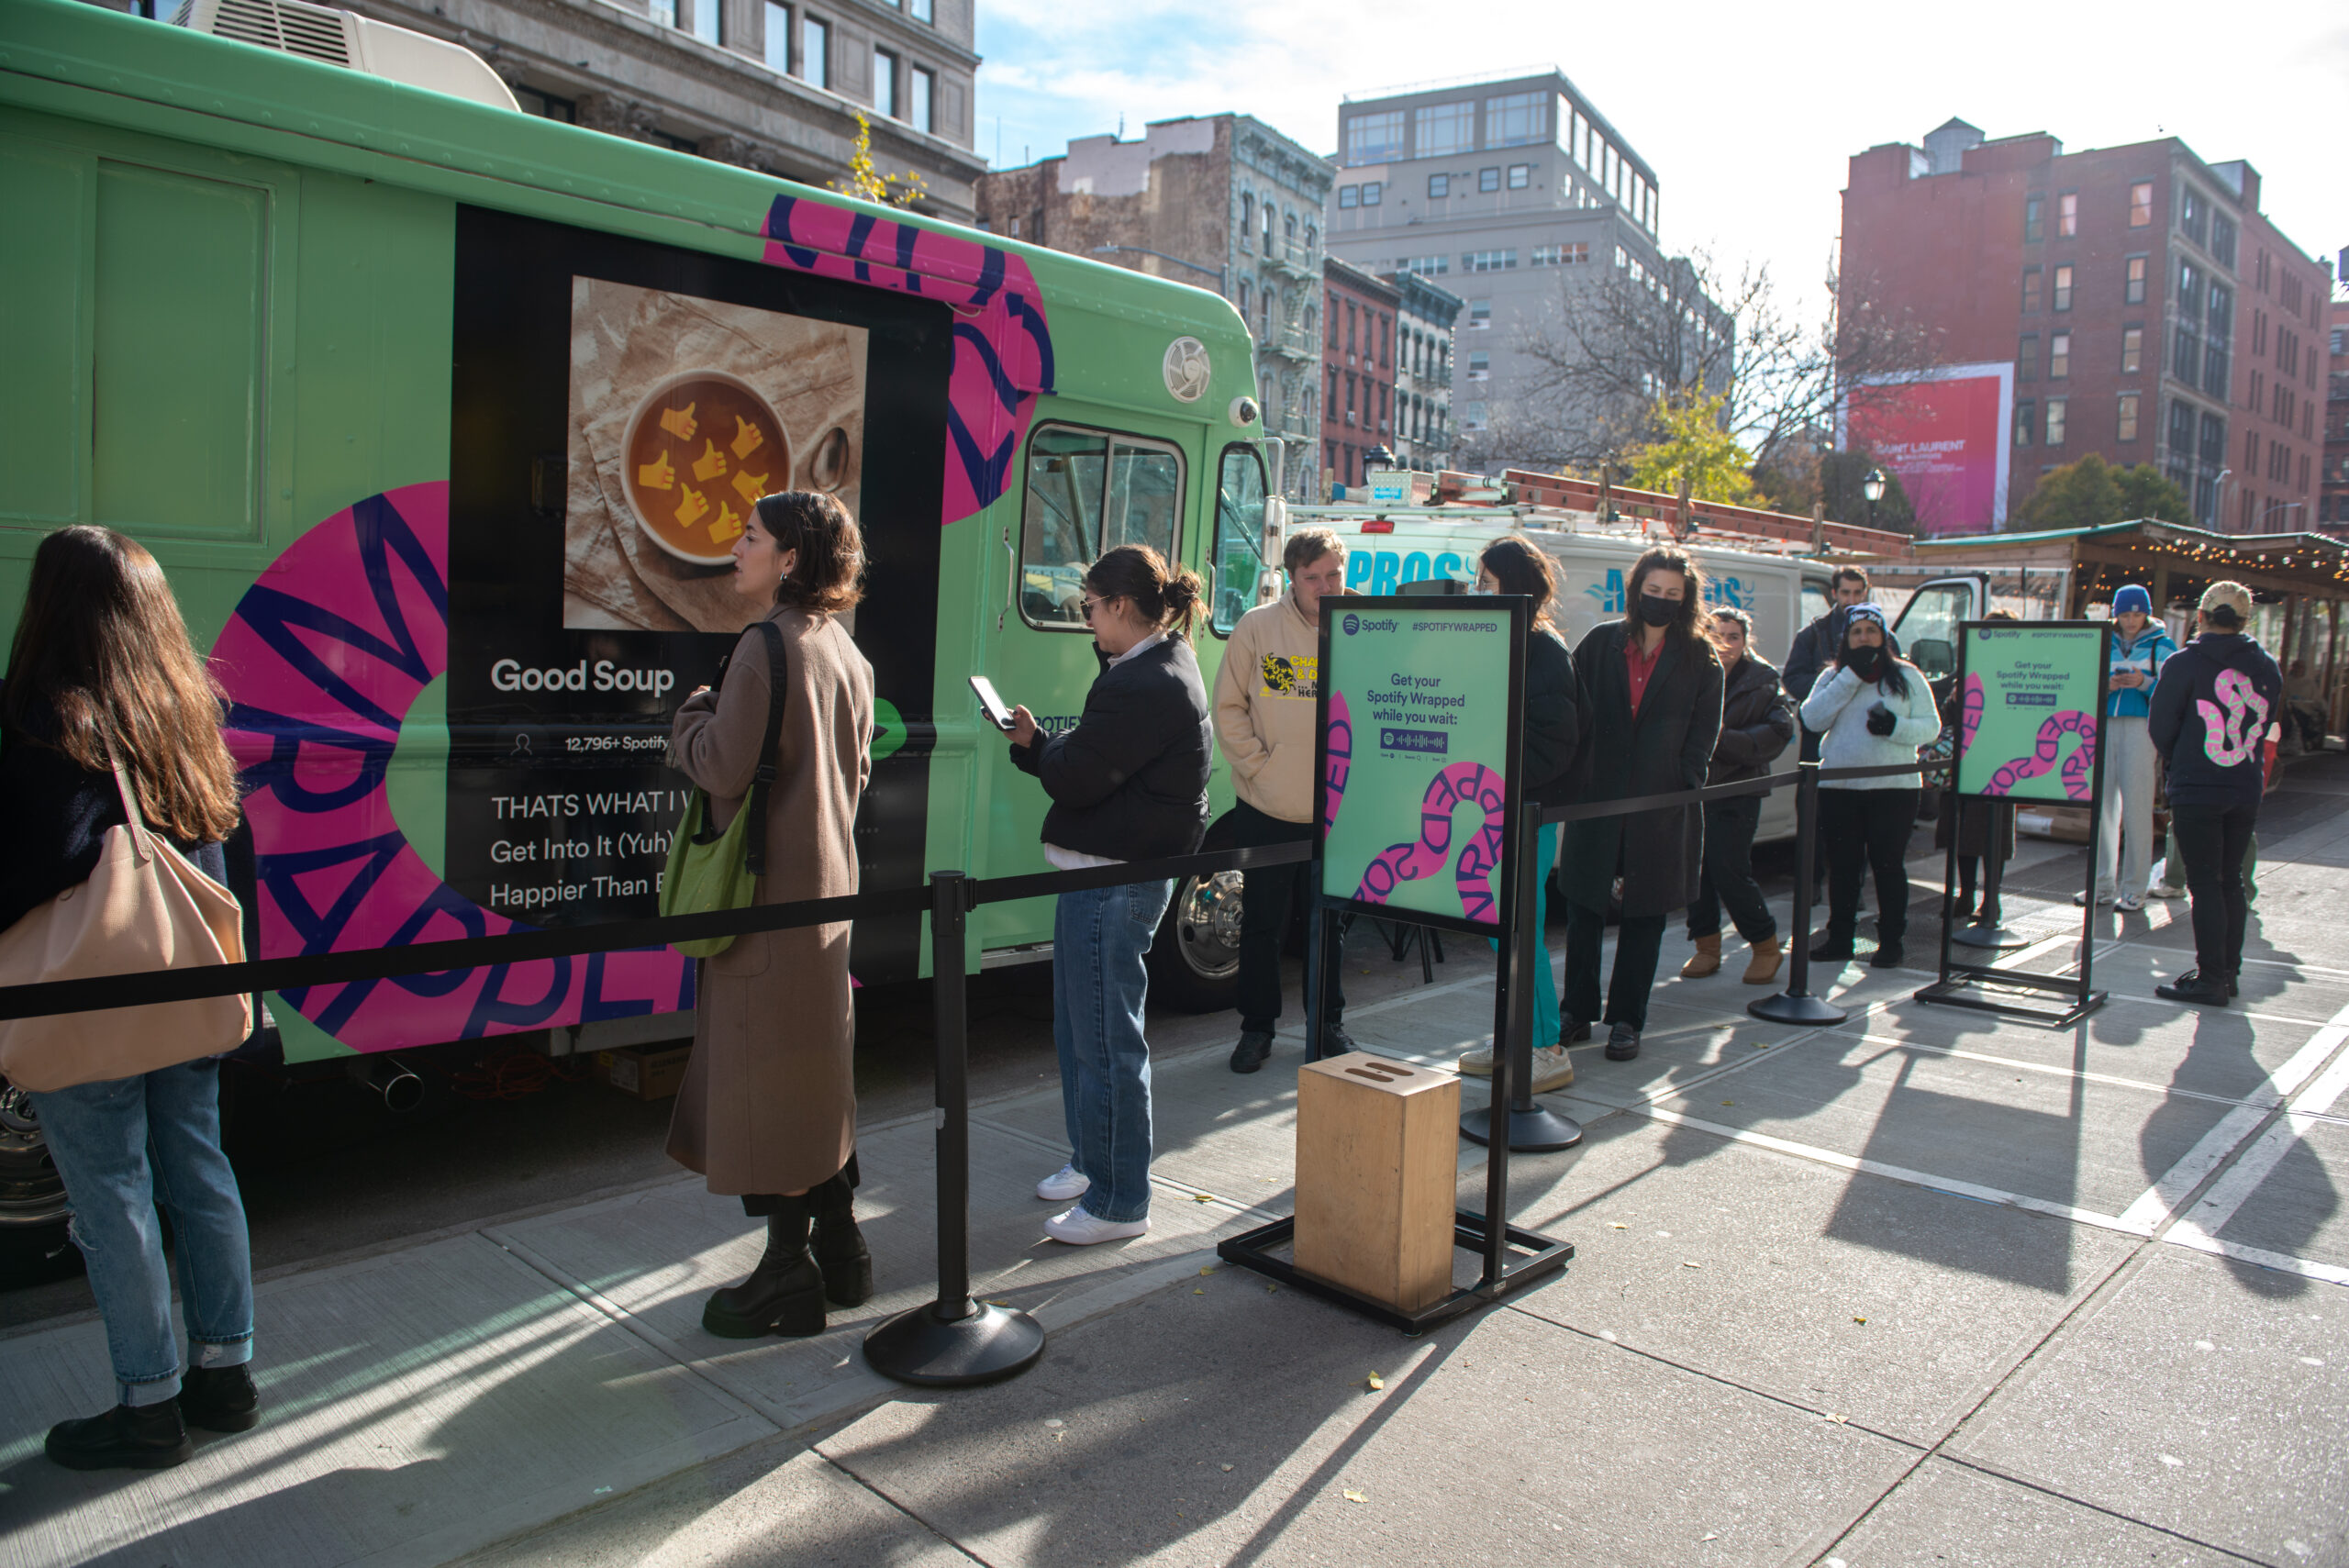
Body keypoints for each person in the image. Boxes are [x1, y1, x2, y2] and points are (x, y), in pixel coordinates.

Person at [3, 526, 254, 1471]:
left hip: (92, 996)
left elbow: (40, 862)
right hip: (191, 982)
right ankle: (226, 1374)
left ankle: (148, 1406)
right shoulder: (188, 710)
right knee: (200, 1166)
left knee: (113, 1190)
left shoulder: (45, 718)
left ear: (53, 607)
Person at [666, 492, 875, 1340]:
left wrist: (690, 715)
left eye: (750, 536)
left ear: (789, 558)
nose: (735, 546)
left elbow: (722, 767)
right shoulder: (845, 650)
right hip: (826, 899)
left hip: (765, 901)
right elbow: (855, 774)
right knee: (815, 1075)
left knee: (770, 1086)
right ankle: (843, 1246)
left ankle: (788, 1273)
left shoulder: (764, 645)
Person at [1007, 545, 1211, 1243]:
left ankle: (1120, 1200)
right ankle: (1095, 1165)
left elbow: (1080, 775)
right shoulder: (1154, 664)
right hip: (1107, 874)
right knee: (1083, 1034)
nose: (1086, 620)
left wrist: (1038, 747)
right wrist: (1045, 745)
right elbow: (1094, 759)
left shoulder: (1144, 681)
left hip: (1113, 880)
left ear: (1121, 605)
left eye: (1090, 607)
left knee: (1104, 1041)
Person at [1559, 547, 1723, 1062]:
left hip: (1661, 807)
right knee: (1584, 909)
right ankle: (1576, 1011)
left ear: (1686, 599)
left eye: (1673, 594)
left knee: (1645, 917)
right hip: (1598, 802)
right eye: (1654, 590)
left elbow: (1704, 734)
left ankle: (1628, 1019)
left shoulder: (1700, 656)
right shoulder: (1600, 642)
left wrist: (1683, 780)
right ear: (1636, 591)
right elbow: (1572, 709)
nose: (1662, 600)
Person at [1215, 528, 1352, 1074]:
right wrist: (1261, 769)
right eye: (1312, 577)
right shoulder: (1257, 626)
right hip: (1266, 806)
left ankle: (1327, 1025)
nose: (1325, 586)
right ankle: (1257, 1029)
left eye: (1333, 574)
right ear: (1290, 578)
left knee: (1328, 925)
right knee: (1261, 925)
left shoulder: (1370, 625)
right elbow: (1228, 709)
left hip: (1339, 810)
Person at [1455, 537, 1585, 1088]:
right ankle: (1519, 1035)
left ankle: (1546, 1046)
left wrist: (1494, 774)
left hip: (1522, 812)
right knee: (1500, 927)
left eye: (1486, 581)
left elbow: (1554, 743)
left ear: (1515, 584)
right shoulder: (1500, 639)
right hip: (1494, 807)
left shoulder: (1544, 650)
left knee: (1517, 928)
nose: (1477, 590)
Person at [2148, 582, 2283, 1006]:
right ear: (2245, 621)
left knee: (2204, 883)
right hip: (2244, 783)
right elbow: (2266, 722)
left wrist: (2182, 760)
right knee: (2231, 882)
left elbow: (2161, 727)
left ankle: (2210, 978)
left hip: (2197, 783)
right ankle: (2227, 973)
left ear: (2201, 617)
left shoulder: (2184, 663)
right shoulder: (2267, 666)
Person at [1801, 604, 1940, 969]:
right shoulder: (1832, 676)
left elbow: (1931, 727)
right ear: (1846, 638)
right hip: (1840, 787)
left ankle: (1891, 941)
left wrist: (1894, 727)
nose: (1864, 637)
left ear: (1883, 637)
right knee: (1844, 868)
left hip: (1893, 789)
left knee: (1888, 866)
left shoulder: (1907, 676)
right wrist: (1850, 678)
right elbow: (1812, 719)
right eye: (1856, 632)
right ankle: (1840, 938)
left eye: (1871, 631)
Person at [1682, 607, 1794, 984]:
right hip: (1694, 787)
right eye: (1718, 635)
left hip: (1739, 788)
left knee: (1729, 869)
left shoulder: (1763, 678)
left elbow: (1778, 732)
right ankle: (1706, 946)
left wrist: (1723, 740)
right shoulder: (1693, 669)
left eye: (1734, 636)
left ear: (1746, 641)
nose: (1725, 644)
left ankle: (1765, 945)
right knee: (1695, 870)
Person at [2078, 585, 2176, 911]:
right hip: (2105, 724)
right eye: (2124, 614)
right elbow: (2083, 682)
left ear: (2146, 613)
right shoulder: (2103, 642)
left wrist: (2143, 683)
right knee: (2102, 806)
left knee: (2137, 807)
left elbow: (2173, 690)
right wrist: (2106, 685)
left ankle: (2135, 887)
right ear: (2115, 614)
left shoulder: (2162, 645)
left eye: (2137, 614)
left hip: (2141, 727)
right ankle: (2101, 885)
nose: (2131, 620)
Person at [1936, 612, 2019, 926]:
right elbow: (1949, 719)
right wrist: (1955, 699)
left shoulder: (2015, 671)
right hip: (1968, 761)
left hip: (2000, 765)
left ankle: (1991, 898)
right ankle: (1967, 894)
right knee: (1964, 834)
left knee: (1994, 836)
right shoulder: (1971, 668)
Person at [1783, 567, 1873, 702]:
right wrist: (1833, 682)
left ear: (1864, 594)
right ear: (1834, 593)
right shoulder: (1812, 634)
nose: (1851, 600)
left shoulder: (1881, 636)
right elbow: (1793, 681)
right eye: (1845, 593)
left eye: (1857, 593)